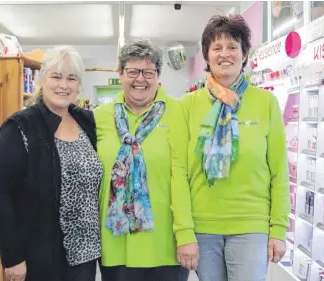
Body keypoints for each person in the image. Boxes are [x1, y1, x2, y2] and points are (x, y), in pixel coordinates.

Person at [171, 14, 291, 281]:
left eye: (233, 47)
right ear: (206, 55)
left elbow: (279, 170)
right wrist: (184, 231)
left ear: (244, 53)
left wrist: (278, 229)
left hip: (252, 225)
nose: (225, 54)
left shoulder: (265, 103)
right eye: (217, 48)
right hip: (203, 228)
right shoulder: (187, 105)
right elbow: (178, 172)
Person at [0, 45, 102, 281]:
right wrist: (13, 257)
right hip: (40, 256)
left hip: (86, 255)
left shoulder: (86, 121)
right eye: (56, 76)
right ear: (41, 79)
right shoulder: (20, 126)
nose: (63, 85)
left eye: (71, 78)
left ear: (78, 84)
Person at [95, 39, 188, 281]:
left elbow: (186, 178)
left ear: (158, 76)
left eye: (148, 72)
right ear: (120, 73)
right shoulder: (97, 118)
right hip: (116, 245)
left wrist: (188, 235)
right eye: (133, 71)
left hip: (166, 244)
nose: (140, 79)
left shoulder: (179, 112)